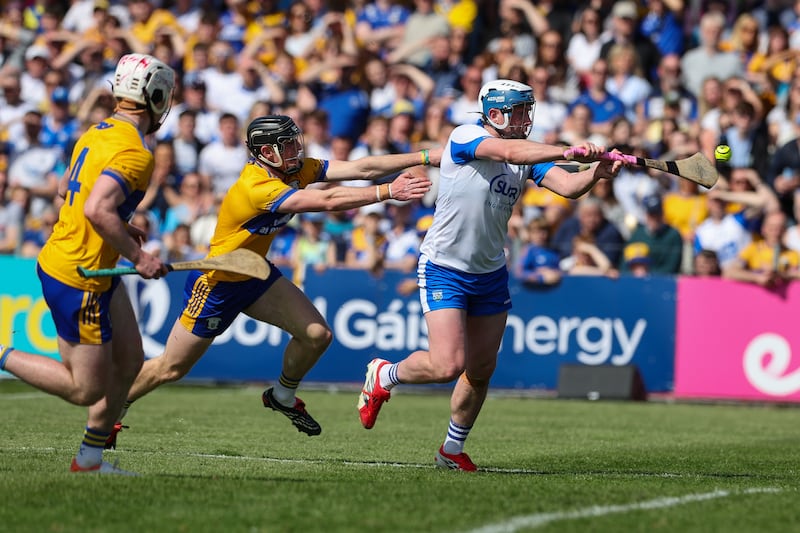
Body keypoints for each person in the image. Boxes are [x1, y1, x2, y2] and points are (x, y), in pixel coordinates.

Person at [110, 114, 437, 447]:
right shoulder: (256, 186)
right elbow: (325, 201)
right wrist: (388, 192)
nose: (298, 148)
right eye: (289, 144)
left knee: (316, 335)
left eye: (296, 140)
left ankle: (282, 395)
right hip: (216, 284)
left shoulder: (295, 169)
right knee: (170, 367)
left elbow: (360, 168)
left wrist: (423, 157)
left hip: (254, 271)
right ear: (266, 152)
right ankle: (109, 413)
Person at [356, 79, 623, 471]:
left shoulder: (526, 156)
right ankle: (385, 374)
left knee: (480, 370)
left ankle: (451, 449)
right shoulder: (466, 136)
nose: (526, 119)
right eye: (518, 112)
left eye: (527, 110)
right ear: (494, 114)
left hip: (490, 272)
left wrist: (595, 172)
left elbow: (567, 185)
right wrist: (571, 148)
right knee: (446, 365)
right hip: (444, 267)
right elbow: (510, 150)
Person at [0, 53, 176, 475]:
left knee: (131, 359)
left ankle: (90, 459)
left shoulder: (95, 132)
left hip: (85, 262)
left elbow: (66, 190)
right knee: (84, 388)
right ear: (154, 97)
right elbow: (98, 209)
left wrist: (120, 228)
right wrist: (140, 256)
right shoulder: (137, 153)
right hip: (81, 275)